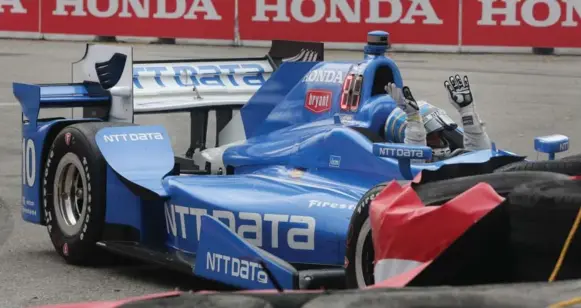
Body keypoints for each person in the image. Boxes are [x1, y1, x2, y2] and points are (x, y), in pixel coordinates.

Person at [384, 75, 491, 162]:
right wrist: (413, 118)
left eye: (439, 133)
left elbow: (482, 156)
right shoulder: (413, 170)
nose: (438, 140)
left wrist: (467, 112)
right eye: (429, 136)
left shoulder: (457, 157)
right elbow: (415, 162)